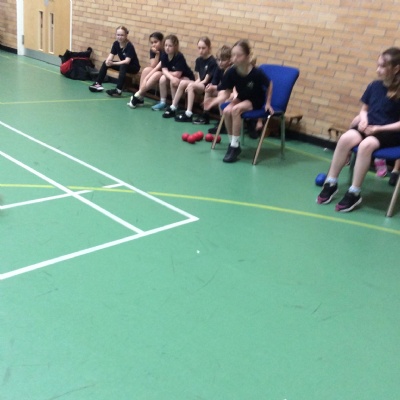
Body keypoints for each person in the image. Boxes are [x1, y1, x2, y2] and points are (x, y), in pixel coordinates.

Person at [317, 47, 400, 212]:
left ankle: (354, 192)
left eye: (383, 66)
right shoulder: (374, 86)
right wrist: (363, 120)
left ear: (396, 69)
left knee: (366, 145)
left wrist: (379, 128)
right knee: (345, 138)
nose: (378, 70)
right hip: (369, 125)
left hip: (389, 132)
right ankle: (331, 182)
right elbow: (364, 109)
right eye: (378, 65)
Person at [215, 40, 274, 163]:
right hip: (242, 98)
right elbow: (225, 89)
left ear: (247, 57)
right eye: (233, 55)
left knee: (236, 110)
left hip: (256, 100)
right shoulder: (232, 71)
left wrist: (268, 103)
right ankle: (233, 144)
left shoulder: (256, 72)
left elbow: (269, 84)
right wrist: (212, 98)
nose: (235, 58)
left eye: (239, 55)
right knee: (226, 110)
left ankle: (234, 146)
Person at [162, 37, 217, 122]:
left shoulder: (212, 61)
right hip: (200, 83)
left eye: (203, 48)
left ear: (209, 48)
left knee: (191, 86)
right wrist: (195, 83)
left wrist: (193, 84)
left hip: (207, 86)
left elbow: (206, 80)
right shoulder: (198, 60)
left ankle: (188, 113)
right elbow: (199, 78)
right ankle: (173, 107)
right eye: (199, 48)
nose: (201, 50)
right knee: (183, 82)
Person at [89, 26, 140, 97]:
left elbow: (127, 61)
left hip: (133, 67)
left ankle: (118, 90)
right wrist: (108, 61)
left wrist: (113, 63)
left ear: (126, 35)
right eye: (118, 35)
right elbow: (111, 55)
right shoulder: (116, 44)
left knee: (123, 65)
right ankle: (98, 84)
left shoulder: (129, 46)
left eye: (122, 35)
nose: (120, 37)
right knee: (105, 63)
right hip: (123, 65)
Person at [151, 35, 195, 111]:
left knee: (173, 81)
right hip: (174, 76)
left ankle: (174, 105)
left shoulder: (179, 56)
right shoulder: (164, 55)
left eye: (170, 46)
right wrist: (170, 76)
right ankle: (163, 102)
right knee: (162, 78)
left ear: (175, 46)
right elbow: (164, 70)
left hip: (186, 77)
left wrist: (169, 74)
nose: (167, 48)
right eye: (166, 45)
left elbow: (178, 74)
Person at [194, 44, 232, 126]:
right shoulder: (219, 67)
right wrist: (211, 86)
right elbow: (215, 81)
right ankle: (205, 115)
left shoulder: (231, 70)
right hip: (222, 89)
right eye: (218, 60)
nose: (220, 62)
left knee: (221, 93)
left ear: (230, 60)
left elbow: (227, 86)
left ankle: (222, 122)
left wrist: (215, 87)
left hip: (230, 92)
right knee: (209, 89)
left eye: (223, 60)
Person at [127, 32, 164, 108]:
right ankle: (141, 98)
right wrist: (157, 54)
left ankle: (138, 94)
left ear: (161, 41)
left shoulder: (166, 51)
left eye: (156, 42)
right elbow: (153, 66)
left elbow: (161, 67)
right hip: (157, 69)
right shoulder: (153, 50)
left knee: (156, 74)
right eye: (152, 43)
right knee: (146, 70)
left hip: (165, 71)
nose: (153, 44)